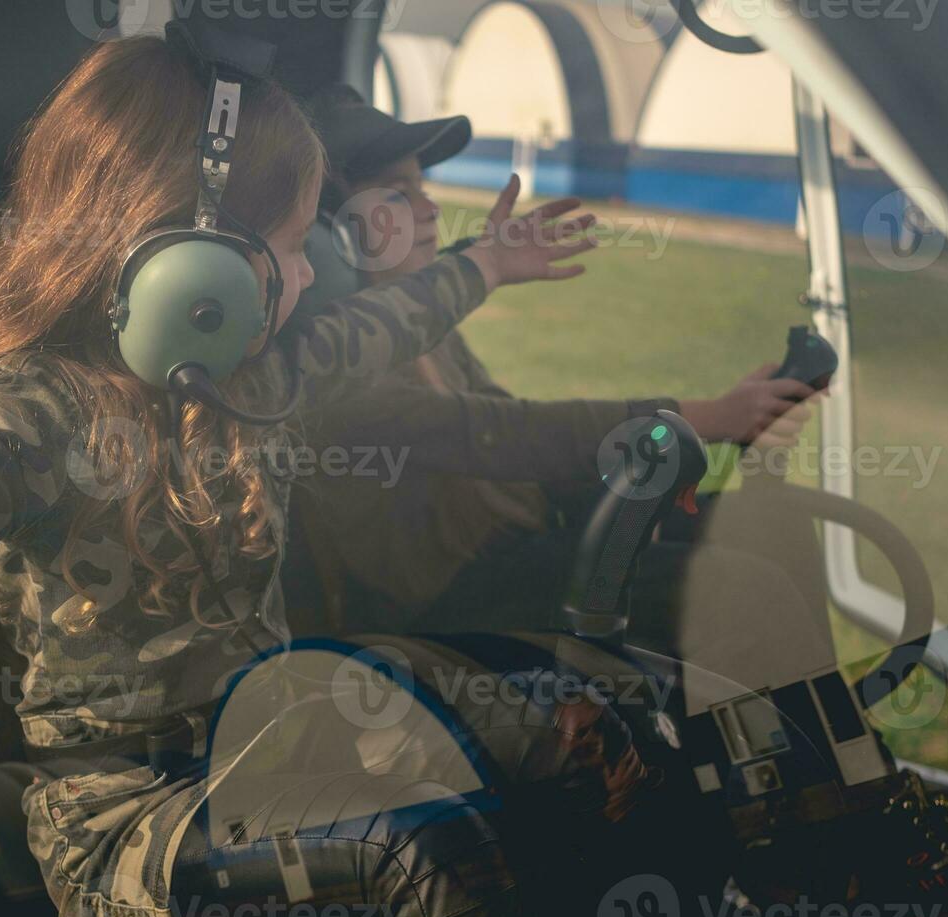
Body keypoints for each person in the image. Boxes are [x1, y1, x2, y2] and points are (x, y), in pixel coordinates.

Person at [0, 34, 659, 917]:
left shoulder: (255, 382)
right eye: (289, 247)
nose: (310, 272)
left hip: (271, 745)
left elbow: (379, 328)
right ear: (190, 259)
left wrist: (484, 267)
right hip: (127, 828)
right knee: (427, 849)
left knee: (568, 735)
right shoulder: (41, 420)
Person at [285, 85, 818, 641]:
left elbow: (515, 436)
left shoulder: (418, 332)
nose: (431, 208)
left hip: (517, 549)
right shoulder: (332, 373)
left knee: (774, 529)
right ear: (331, 236)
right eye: (398, 194)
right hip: (451, 610)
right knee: (736, 581)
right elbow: (504, 435)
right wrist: (708, 418)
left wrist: (644, 491)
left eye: (421, 187)